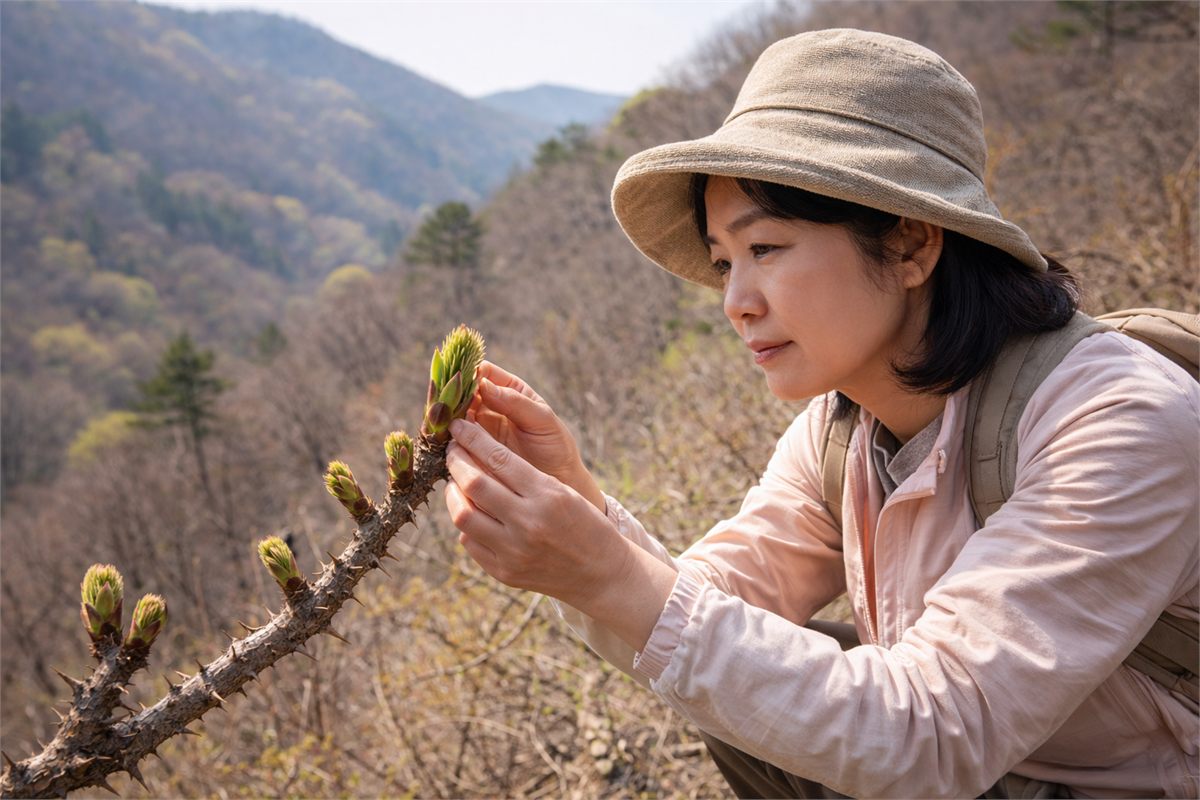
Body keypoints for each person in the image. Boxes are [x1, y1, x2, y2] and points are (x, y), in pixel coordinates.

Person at [441, 29, 1199, 798]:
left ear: (911, 244)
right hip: (1001, 773)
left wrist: (605, 570)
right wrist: (579, 509)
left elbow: (934, 732)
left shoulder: (1117, 422)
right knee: (749, 683)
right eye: (724, 262)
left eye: (766, 248)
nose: (736, 302)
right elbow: (694, 612)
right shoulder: (842, 432)